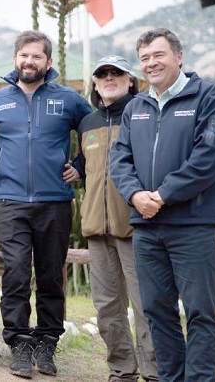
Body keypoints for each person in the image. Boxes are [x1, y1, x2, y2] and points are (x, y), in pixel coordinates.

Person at [0, 30, 92, 378]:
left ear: (48, 62)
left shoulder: (69, 100)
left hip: (55, 203)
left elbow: (96, 135)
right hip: (10, 204)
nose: (29, 61)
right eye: (24, 55)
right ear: (16, 59)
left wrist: (81, 166)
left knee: (52, 277)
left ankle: (47, 342)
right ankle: (19, 342)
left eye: (37, 56)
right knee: (16, 275)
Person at [110, 28, 215, 382]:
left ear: (178, 57)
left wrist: (161, 195)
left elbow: (209, 157)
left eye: (158, 55)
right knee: (156, 312)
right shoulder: (136, 107)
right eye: (144, 58)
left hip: (193, 225)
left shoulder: (207, 97)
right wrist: (134, 195)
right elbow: (120, 159)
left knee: (200, 312)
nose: (151, 63)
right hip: (147, 228)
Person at [72, 55, 158, 382]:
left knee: (146, 305)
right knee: (107, 309)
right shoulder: (88, 124)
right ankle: (122, 371)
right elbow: (86, 164)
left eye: (117, 73)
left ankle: (155, 372)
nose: (109, 78)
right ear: (95, 83)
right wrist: (76, 169)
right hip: (97, 228)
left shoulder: (146, 115)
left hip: (137, 228)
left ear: (131, 81)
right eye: (103, 74)